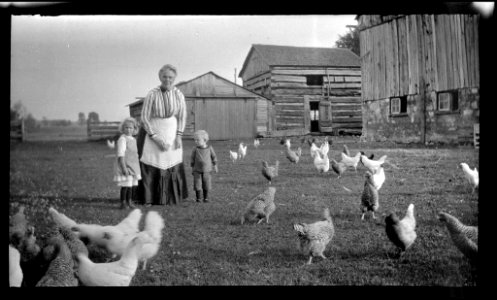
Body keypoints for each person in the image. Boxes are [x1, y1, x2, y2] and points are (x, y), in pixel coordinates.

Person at [137, 64, 189, 206]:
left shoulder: (178, 94)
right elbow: (145, 118)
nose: (168, 79)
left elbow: (182, 116)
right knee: (154, 161)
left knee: (172, 161)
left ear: (174, 78)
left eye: (170, 77)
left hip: (172, 131)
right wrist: (156, 138)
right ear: (160, 77)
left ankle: (172, 197)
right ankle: (150, 198)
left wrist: (179, 135)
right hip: (155, 130)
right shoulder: (152, 93)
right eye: (165, 76)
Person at [113, 117, 141, 209]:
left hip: (133, 166)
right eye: (126, 127)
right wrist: (124, 168)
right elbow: (121, 154)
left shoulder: (133, 139)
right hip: (125, 165)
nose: (128, 130)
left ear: (134, 129)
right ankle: (123, 203)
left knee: (131, 185)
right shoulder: (123, 139)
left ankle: (129, 201)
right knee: (125, 185)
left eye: (131, 128)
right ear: (123, 128)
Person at [190, 130, 218, 203]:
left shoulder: (209, 148)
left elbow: (213, 157)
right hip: (197, 170)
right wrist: (192, 168)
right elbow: (192, 159)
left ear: (205, 140)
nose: (196, 141)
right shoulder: (195, 149)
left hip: (207, 170)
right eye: (195, 140)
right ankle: (198, 198)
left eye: (198, 140)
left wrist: (215, 165)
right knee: (197, 184)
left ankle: (206, 198)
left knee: (206, 184)